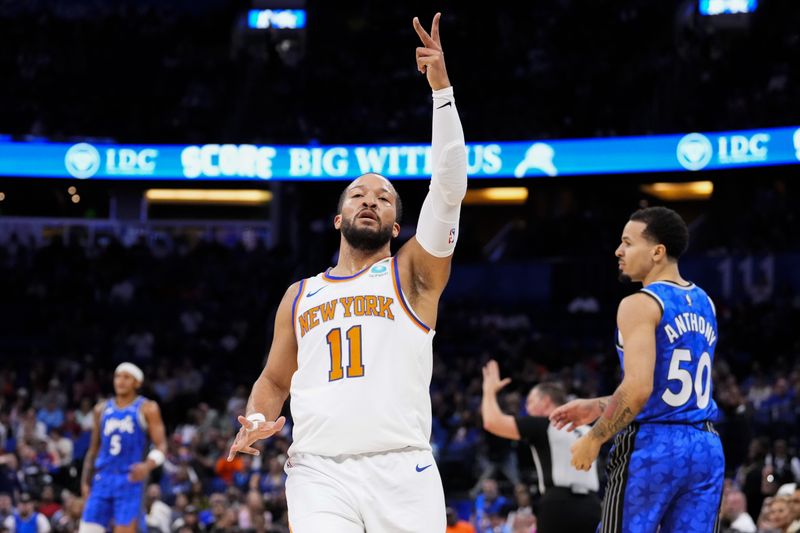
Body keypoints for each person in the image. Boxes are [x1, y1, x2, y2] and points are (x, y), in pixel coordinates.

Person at [226, 12, 467, 532]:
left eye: (383, 197)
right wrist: (257, 416)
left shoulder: (413, 275)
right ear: (338, 218)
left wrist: (441, 91)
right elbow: (273, 378)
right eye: (358, 194)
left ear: (397, 223)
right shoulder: (300, 294)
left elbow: (448, 187)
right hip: (318, 471)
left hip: (402, 469)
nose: (370, 200)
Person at [550, 206, 725, 532]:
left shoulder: (639, 304)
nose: (618, 251)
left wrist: (595, 437)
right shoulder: (706, 301)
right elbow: (668, 391)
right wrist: (598, 406)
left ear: (657, 251)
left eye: (628, 243)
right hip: (705, 447)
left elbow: (639, 388)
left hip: (654, 448)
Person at [481, 360, 600, 532]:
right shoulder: (589, 429)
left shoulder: (545, 423)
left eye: (530, 401)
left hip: (558, 505)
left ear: (545, 401)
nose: (527, 408)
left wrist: (489, 391)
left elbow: (492, 422)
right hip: (593, 506)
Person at [78, 363, 167, 533]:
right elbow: (93, 450)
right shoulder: (101, 409)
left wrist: (147, 465)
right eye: (118, 376)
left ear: (137, 383)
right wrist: (85, 482)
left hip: (129, 479)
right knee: (87, 529)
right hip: (102, 478)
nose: (121, 381)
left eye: (127, 377)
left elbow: (162, 445)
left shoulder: (147, 408)